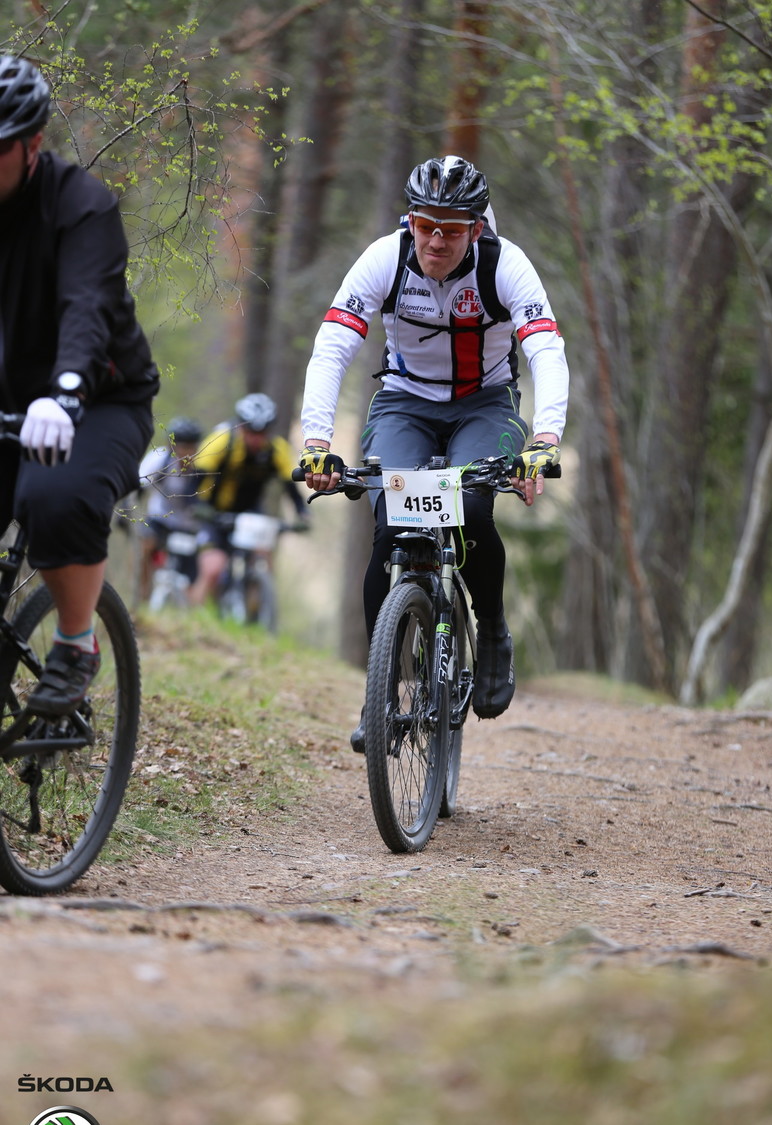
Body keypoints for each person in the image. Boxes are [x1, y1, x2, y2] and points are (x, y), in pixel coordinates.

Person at [299, 155, 568, 751]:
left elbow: (547, 350)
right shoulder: (385, 257)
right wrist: (318, 443)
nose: (437, 240)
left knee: (470, 508)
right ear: (411, 221)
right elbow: (332, 347)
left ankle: (492, 628)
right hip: (405, 403)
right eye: (426, 226)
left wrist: (545, 440)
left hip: (486, 404)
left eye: (452, 228)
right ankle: (382, 695)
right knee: (390, 520)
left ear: (477, 228)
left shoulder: (505, 266)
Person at [0, 55, 158, 716]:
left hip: (98, 403)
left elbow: (86, 310)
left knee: (53, 496)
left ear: (32, 145)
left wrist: (64, 393)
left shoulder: (81, 206)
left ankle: (75, 643)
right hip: (10, 404)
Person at [188, 393, 307, 606]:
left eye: (262, 433)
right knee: (213, 569)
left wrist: (302, 514)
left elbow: (290, 487)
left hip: (250, 512)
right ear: (241, 427)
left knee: (263, 558)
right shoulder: (222, 441)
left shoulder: (276, 449)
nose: (256, 438)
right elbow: (194, 481)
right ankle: (192, 620)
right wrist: (196, 506)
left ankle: (257, 617)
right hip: (214, 511)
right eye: (251, 432)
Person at [136, 416, 204, 601]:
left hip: (189, 526)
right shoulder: (159, 460)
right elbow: (138, 486)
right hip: (160, 519)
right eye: (182, 446)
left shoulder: (203, 467)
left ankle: (189, 610)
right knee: (145, 548)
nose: (187, 453)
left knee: (193, 574)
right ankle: (143, 595)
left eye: (192, 446)